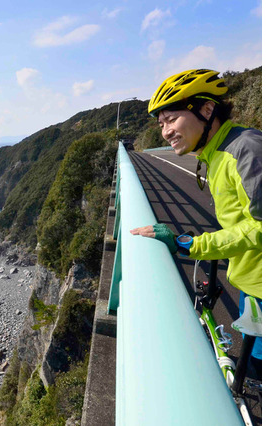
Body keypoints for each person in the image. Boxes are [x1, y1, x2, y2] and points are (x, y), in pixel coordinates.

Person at [130, 69, 262, 376]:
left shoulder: (247, 150)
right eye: (161, 124)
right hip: (251, 283)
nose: (165, 132)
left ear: (206, 109)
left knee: (258, 369)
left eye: (172, 119)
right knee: (252, 367)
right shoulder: (216, 153)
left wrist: (189, 244)